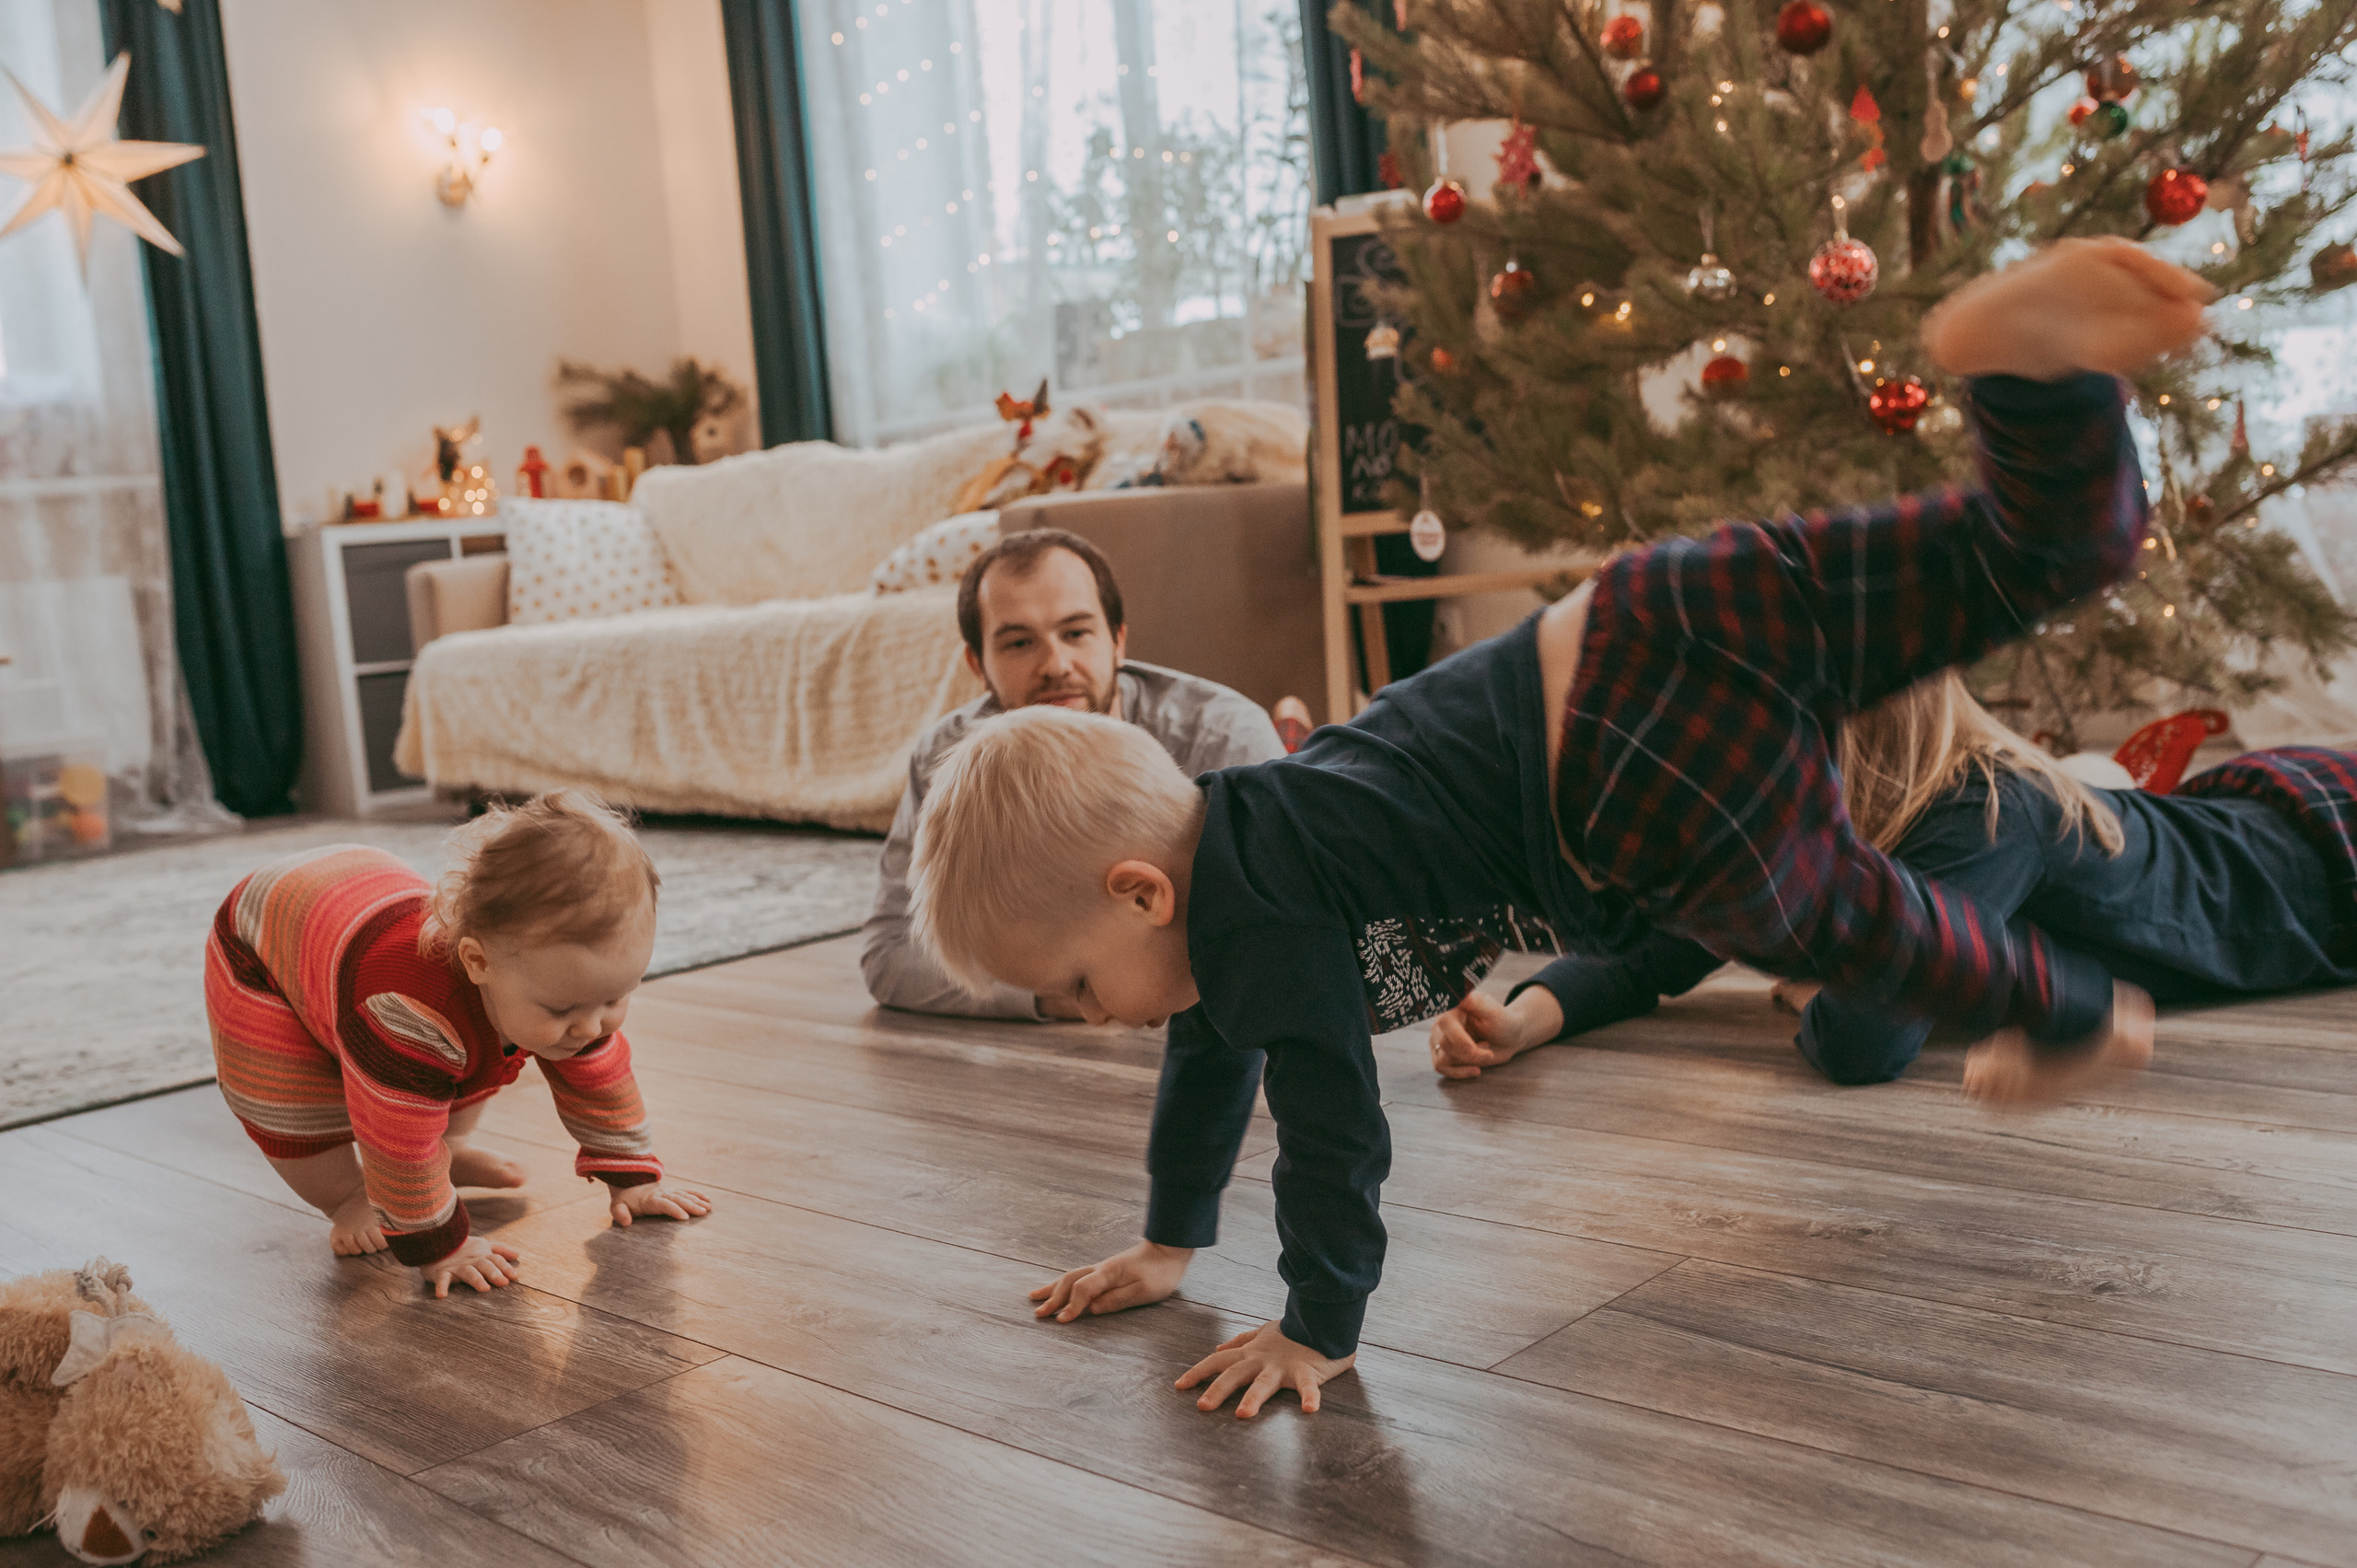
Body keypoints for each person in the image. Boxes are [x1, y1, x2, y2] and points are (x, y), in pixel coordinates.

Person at [904, 239, 2239, 1420]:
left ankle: (2064, 1006)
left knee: (1830, 908)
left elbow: (1330, 1127)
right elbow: (1208, 1062)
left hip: (1621, 759)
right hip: (1641, 610)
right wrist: (1168, 1239)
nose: (1086, 1014)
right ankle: (2035, 378)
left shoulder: (1251, 919)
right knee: (2006, 562)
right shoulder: (1244, 847)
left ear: (1140, 892)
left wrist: (1318, 1324)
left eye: (1070, 984)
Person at [1433, 672, 2357, 1086]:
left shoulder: (1980, 812)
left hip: (2305, 872)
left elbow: (1861, 1045)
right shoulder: (1832, 827)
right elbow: (1654, 951)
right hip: (2242, 821)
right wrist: (1524, 1017)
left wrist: (1807, 992)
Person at [204, 792, 712, 1298]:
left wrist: (635, 1179)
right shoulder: (408, 1013)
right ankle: (348, 1197)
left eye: (615, 998)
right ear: (477, 962)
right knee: (292, 1106)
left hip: (354, 889)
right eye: (562, 1011)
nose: (590, 1027)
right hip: (261, 945)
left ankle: (447, 1151)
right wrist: (440, 1244)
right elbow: (396, 1142)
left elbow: (601, 1083)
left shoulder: (569, 995)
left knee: (473, 1058)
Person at [862, 527, 1285, 1017]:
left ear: (1118, 640)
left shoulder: (1224, 737)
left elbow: (1276, 932)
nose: (1056, 664)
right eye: (1019, 643)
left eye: (1076, 633)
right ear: (978, 664)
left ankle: (1293, 745)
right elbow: (889, 954)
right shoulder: (948, 759)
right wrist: (1074, 990)